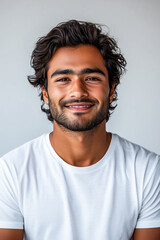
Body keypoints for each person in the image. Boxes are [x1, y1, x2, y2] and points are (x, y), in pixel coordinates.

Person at [0, 20, 159, 240]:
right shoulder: (10, 172)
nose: (78, 91)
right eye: (63, 79)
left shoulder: (147, 171)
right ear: (45, 93)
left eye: (92, 78)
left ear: (111, 90)